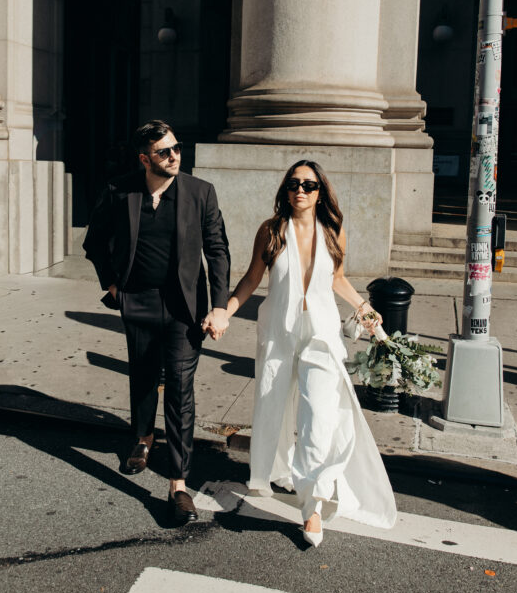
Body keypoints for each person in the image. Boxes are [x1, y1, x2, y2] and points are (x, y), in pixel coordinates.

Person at [220, 160, 397, 547]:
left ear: (321, 192)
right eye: (294, 183)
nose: (301, 190)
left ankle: (311, 506)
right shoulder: (271, 231)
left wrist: (364, 309)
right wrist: (226, 311)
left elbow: (336, 278)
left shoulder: (333, 232)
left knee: (319, 414)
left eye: (309, 184)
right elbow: (252, 277)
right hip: (279, 334)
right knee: (270, 406)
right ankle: (268, 473)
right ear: (286, 190)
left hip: (321, 334)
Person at [83, 120, 230, 524]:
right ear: (145, 158)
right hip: (139, 302)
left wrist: (219, 306)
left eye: (177, 148)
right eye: (165, 152)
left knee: (180, 388)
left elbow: (217, 251)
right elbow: (94, 243)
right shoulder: (119, 191)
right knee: (144, 376)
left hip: (185, 308)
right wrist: (112, 286)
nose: (175, 156)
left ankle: (178, 484)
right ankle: (143, 437)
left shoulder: (200, 193)